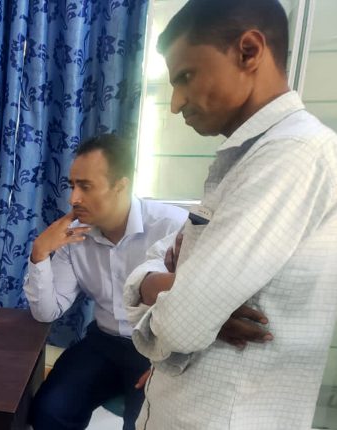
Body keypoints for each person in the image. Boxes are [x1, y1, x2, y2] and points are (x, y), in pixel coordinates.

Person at [123, 1, 337, 428]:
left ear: (249, 51)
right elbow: (157, 267)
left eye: (185, 77)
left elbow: (181, 324)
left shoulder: (291, 156)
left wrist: (170, 293)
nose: (175, 104)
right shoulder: (246, 160)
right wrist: (156, 285)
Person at [23, 134, 188, 430]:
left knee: (145, 423)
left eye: (85, 187)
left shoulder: (172, 228)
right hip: (104, 342)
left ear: (121, 186)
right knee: (49, 409)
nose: (73, 199)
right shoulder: (74, 236)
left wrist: (169, 363)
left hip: (158, 348)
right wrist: (40, 253)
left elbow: (201, 304)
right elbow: (46, 312)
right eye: (72, 186)